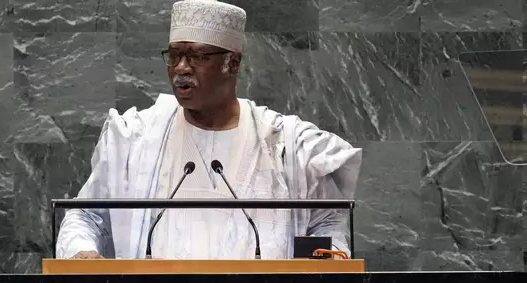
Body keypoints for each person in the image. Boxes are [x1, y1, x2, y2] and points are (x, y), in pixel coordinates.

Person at [56, 0, 362, 260]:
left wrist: (328, 259)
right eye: (174, 55)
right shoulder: (135, 137)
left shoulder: (285, 144)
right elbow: (86, 215)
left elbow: (326, 223)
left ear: (233, 63)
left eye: (198, 56)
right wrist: (81, 252)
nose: (181, 68)